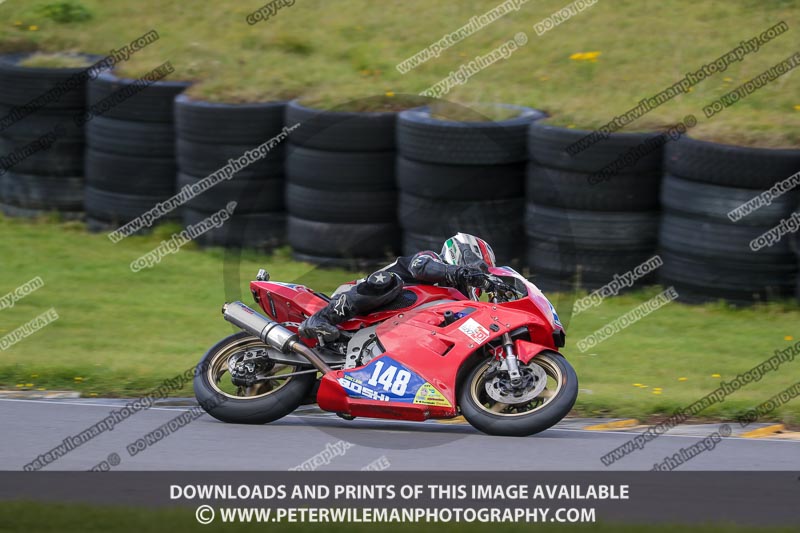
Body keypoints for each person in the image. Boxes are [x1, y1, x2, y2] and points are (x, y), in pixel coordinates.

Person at [298, 233, 497, 342]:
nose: (477, 277)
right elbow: (420, 268)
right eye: (478, 268)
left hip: (385, 331)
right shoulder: (430, 260)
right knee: (389, 282)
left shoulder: (452, 299)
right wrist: (459, 272)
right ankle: (322, 318)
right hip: (359, 301)